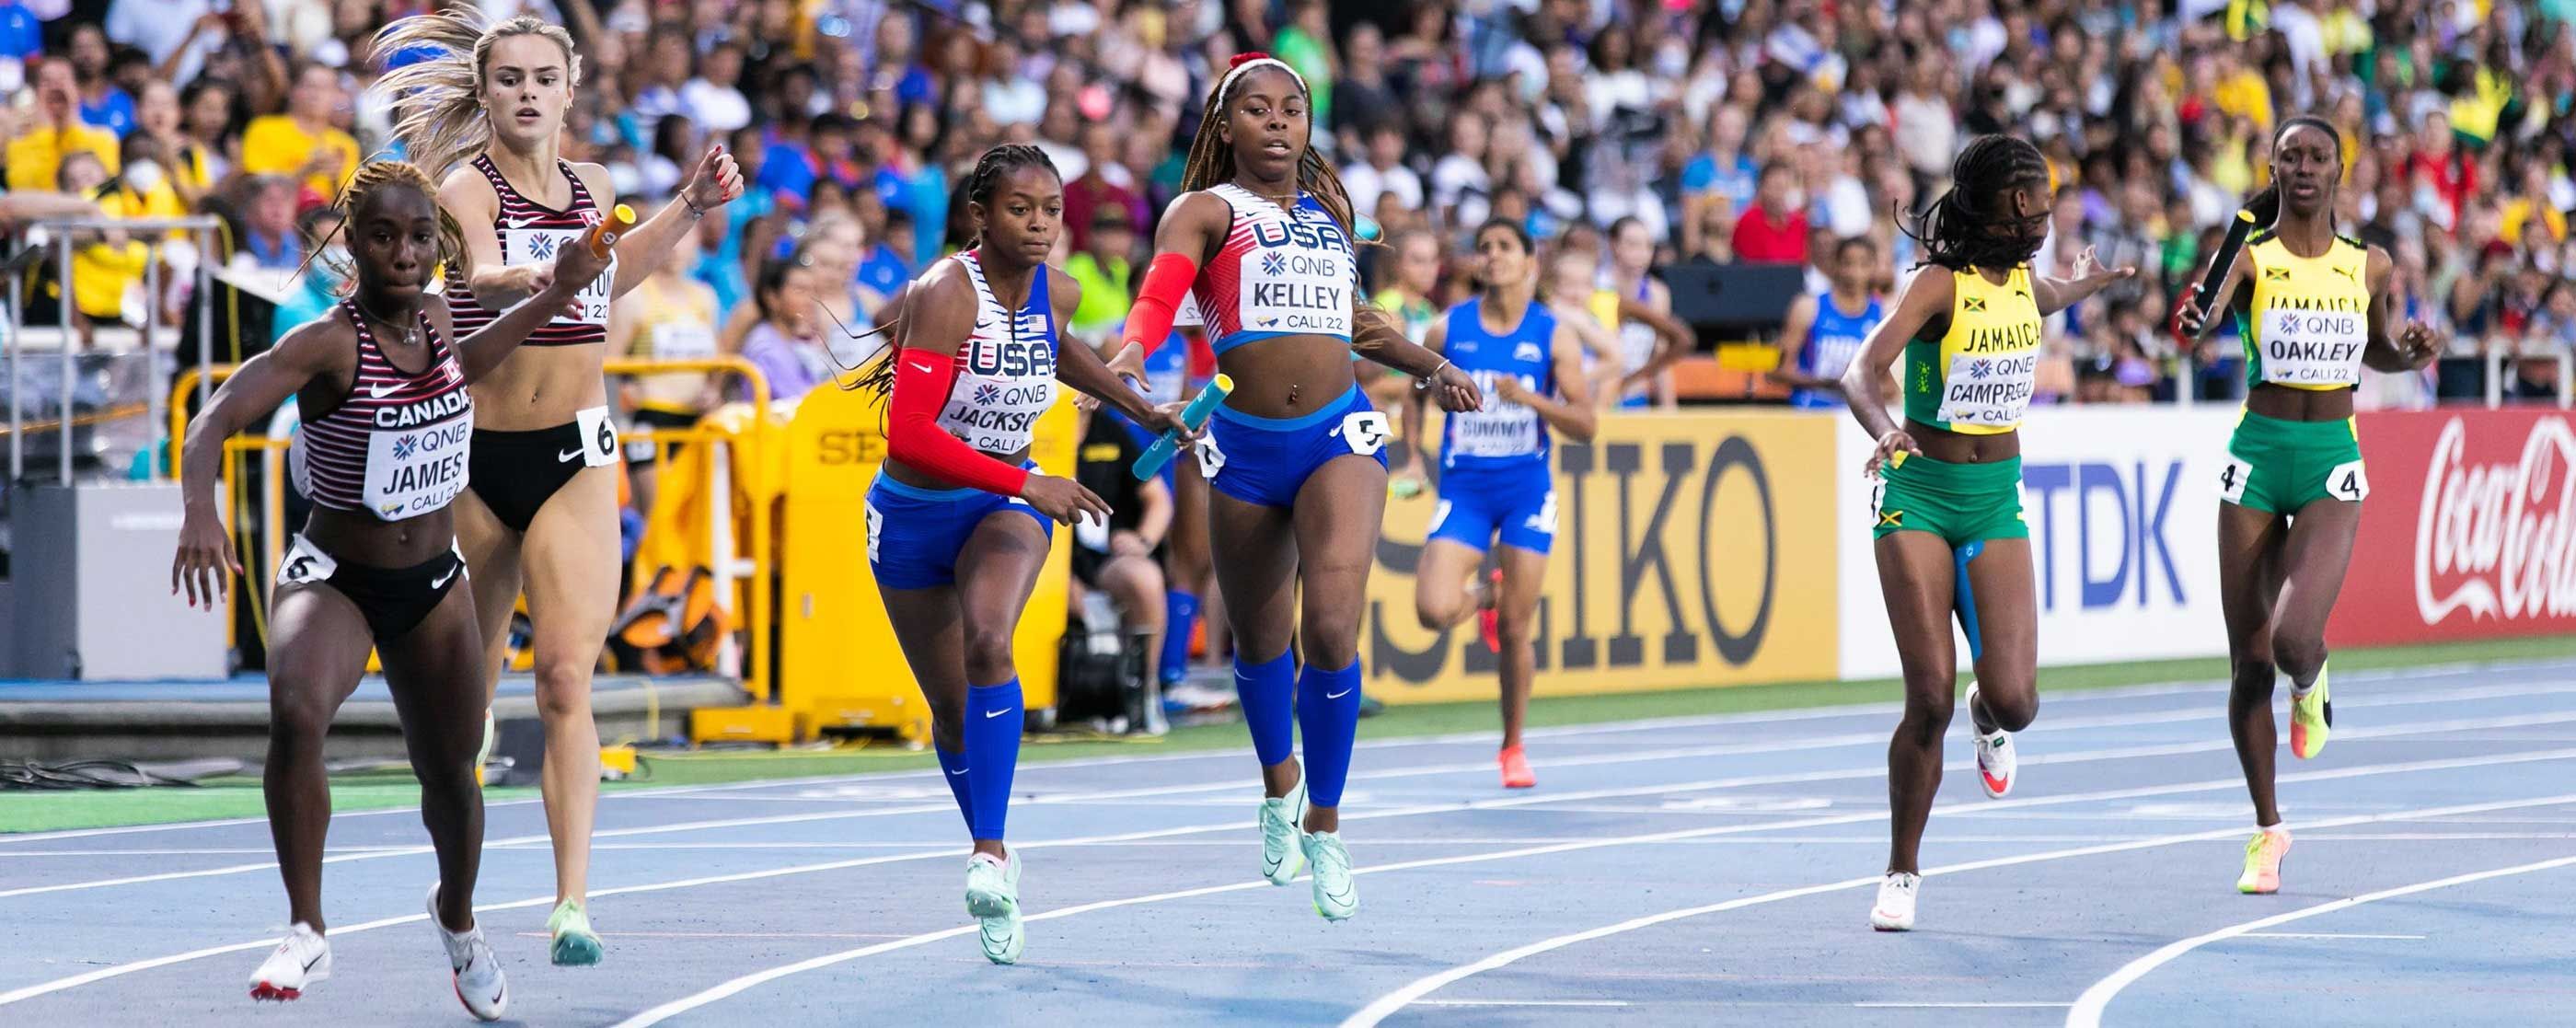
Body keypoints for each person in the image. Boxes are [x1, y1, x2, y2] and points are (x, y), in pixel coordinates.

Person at [169, 159, 606, 1020]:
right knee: (296, 708)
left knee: (451, 774)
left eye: (417, 237)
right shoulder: (328, 342)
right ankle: (305, 927)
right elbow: (212, 419)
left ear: (434, 247)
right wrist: (198, 512)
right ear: (355, 246)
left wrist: (561, 290)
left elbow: (480, 354)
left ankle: (457, 918)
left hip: (433, 582)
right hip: (337, 576)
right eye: (383, 237)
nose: (403, 253)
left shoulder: (443, 321)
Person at [377, 8, 744, 966]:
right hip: (476, 460)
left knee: (567, 677)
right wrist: (564, 265)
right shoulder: (466, 187)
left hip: (576, 455)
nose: (528, 92)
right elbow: (493, 276)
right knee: (467, 693)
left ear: (571, 91)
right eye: (511, 79)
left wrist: (691, 207)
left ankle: (572, 900)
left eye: (545, 77)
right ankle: (457, 879)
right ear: (489, 92)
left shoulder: (599, 185)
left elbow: (610, 282)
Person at [1116, 52, 1479, 922]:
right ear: (1224, 126)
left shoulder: (1328, 216)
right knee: (1258, 641)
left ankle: (1325, 820)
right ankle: (1278, 780)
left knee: (1328, 622)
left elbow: (1352, 322)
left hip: (1339, 435)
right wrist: (1131, 350)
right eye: (1259, 109)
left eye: (1293, 109)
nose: (1279, 122)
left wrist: (1432, 366)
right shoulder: (1203, 210)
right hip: (1241, 446)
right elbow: (1160, 294)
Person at [851, 144, 1190, 964]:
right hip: (910, 512)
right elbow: (908, 433)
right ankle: (986, 841)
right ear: (979, 215)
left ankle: (991, 851)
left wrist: (1138, 407)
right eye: (1019, 209)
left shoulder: (1060, 290)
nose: (1039, 225)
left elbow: (1057, 345)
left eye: (1050, 210)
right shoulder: (940, 294)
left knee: (990, 641)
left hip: (1002, 506)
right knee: (952, 711)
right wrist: (1028, 476)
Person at [1836, 134, 2131, 932]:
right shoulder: (1938, 284)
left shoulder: (2021, 283)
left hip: (1995, 497)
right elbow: (1859, 372)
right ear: (1992, 204)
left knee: (2016, 699)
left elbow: (2036, 300)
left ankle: (1988, 715)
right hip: (1918, 495)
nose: (2041, 213)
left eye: (2045, 200)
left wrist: (2079, 287)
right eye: (2027, 200)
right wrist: (1885, 427)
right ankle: (1901, 869)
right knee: (1924, 693)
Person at [2176, 116, 2443, 895]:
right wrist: (2195, 316)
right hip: (2255, 460)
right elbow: (2199, 313)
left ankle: (2313, 677)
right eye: (2289, 155)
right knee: (2247, 662)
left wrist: (2409, 354)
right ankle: (2266, 830)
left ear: (2337, 171)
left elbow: (2376, 348)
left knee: (2296, 639)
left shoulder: (2370, 264)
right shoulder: (2250, 257)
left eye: (2316, 156)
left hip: (2329, 461)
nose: (2302, 166)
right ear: (2272, 166)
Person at [1406, 220, 1596, 790]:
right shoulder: (1449, 327)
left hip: (1525, 494)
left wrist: (1530, 397)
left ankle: (1512, 746)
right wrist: (1413, 456)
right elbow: (1415, 387)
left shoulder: (1553, 334)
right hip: (1464, 490)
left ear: (1528, 262)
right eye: (1483, 247)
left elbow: (1586, 425)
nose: (1491, 256)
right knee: (1433, 610)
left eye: (1504, 248)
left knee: (1516, 627)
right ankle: (1487, 593)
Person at [1771, 236, 1889, 409]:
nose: (1853, 273)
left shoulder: (1883, 314)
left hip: (1857, 416)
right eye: (1847, 263)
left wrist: (1858, 386)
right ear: (1835, 265)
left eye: (1863, 264)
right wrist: (1826, 383)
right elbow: (1779, 371)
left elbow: (1891, 387)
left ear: (1873, 268)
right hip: (1811, 410)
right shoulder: (1808, 307)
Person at [1597, 216, 1692, 409]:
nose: (1641, 253)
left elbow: (1660, 353)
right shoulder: (1596, 286)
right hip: (1596, 393)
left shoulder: (1657, 293)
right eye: (1633, 244)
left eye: (1648, 246)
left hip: (1633, 395)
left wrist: (1668, 408)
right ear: (1614, 245)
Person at [240, 63, 360, 202]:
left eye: (325, 89)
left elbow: (349, 202)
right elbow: (254, 190)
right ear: (292, 90)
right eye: (310, 86)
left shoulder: (346, 144)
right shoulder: (264, 129)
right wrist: (305, 172)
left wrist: (335, 178)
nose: (316, 95)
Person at [6, 58, 120, 193]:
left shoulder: (103, 138)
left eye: (62, 79)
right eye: (46, 82)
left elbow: (104, 191)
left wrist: (71, 124)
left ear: (78, 90)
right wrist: (46, 132)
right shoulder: (18, 146)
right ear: (36, 93)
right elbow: (24, 192)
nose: (55, 87)